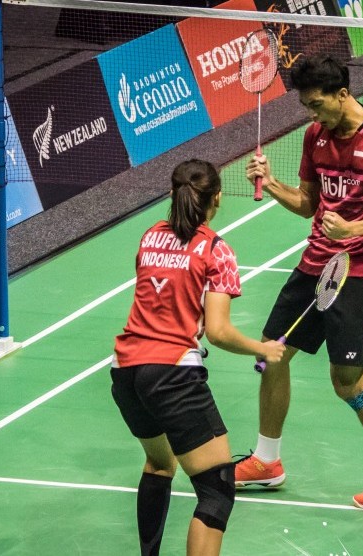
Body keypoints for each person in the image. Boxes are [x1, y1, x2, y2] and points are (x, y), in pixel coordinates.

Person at [235, 55, 363, 510]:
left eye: (317, 104)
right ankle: (267, 461)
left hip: (361, 270)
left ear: (343, 94)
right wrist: (272, 182)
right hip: (316, 263)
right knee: (273, 350)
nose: (312, 114)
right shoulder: (314, 136)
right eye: (306, 106)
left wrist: (354, 230)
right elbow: (307, 204)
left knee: (347, 381)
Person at [111, 159, 286, 555]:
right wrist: (263, 348)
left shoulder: (149, 236)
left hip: (125, 371)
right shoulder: (216, 250)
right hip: (173, 374)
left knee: (159, 465)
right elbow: (220, 331)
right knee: (216, 489)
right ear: (217, 198)